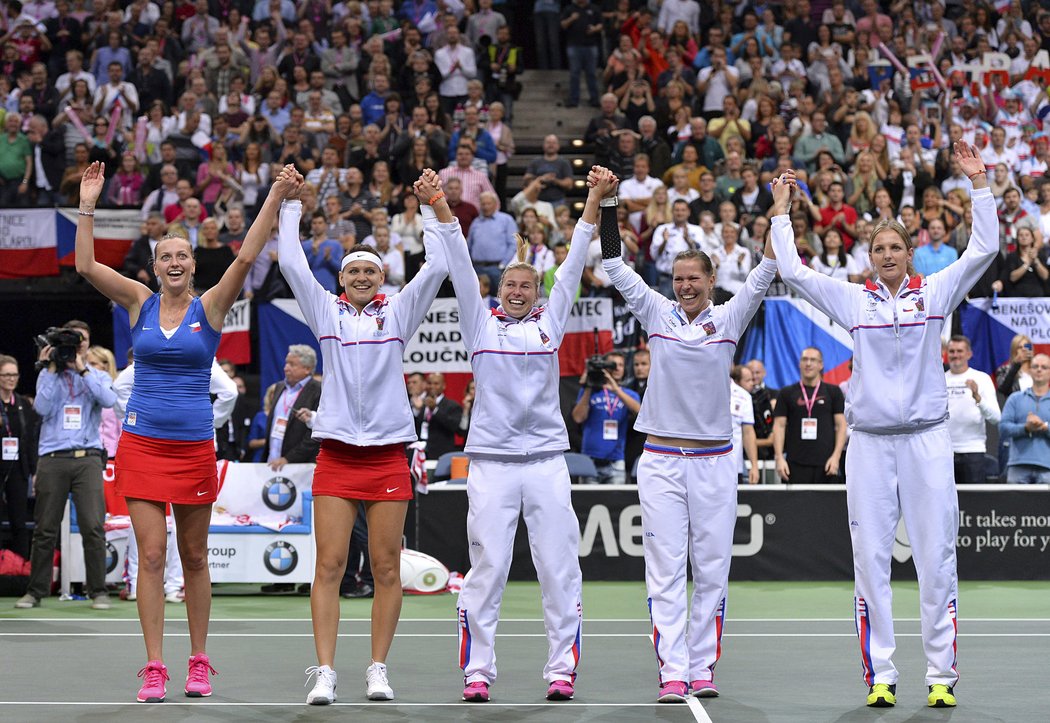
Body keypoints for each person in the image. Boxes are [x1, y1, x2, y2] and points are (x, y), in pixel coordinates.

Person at [771, 143, 998, 710]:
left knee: (936, 557)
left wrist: (980, 185)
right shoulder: (853, 300)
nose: (889, 254)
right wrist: (781, 212)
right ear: (871, 256)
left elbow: (985, 247)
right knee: (870, 560)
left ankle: (941, 676)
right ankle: (882, 675)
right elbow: (793, 270)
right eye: (880, 248)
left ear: (912, 252)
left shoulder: (936, 291)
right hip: (870, 446)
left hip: (926, 441)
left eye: (897, 246)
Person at [68, 160, 298, 702]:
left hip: (194, 448)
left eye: (182, 255)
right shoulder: (138, 302)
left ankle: (198, 659)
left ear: (193, 265)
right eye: (165, 256)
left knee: (193, 558)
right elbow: (83, 265)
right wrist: (87, 203)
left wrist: (275, 195)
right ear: (154, 265)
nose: (173, 262)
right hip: (142, 447)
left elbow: (245, 254)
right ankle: (154, 666)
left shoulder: (211, 307)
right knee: (150, 557)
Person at [598, 162, 783, 701]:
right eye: (678, 279)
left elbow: (767, 269)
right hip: (659, 460)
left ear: (709, 281)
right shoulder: (656, 311)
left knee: (712, 571)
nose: (684, 287)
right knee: (664, 572)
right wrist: (609, 203)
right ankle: (672, 670)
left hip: (716, 461)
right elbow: (613, 262)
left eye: (693, 279)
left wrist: (780, 212)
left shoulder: (728, 317)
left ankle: (702, 668)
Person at [438, 166, 616, 704]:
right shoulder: (479, 322)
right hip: (490, 463)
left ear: (537, 293)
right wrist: (438, 206)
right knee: (486, 569)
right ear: (498, 290)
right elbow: (459, 261)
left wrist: (592, 198)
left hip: (544, 463)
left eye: (525, 285)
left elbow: (576, 258)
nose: (517, 290)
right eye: (510, 284)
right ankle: (477, 673)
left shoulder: (550, 321)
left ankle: (562, 670)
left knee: (559, 568)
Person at [276, 168, 449, 705]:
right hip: (336, 457)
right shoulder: (324, 310)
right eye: (352, 270)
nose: (361, 277)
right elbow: (288, 261)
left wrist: (427, 207)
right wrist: (291, 204)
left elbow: (439, 264)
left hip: (387, 458)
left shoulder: (398, 311)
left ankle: (378, 668)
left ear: (381, 278)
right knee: (328, 565)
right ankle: (325, 671)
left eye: (370, 271)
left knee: (386, 567)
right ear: (341, 277)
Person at [17, 321, 116, 612]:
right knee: (45, 529)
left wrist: (83, 368)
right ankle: (35, 592)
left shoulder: (95, 375)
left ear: (86, 344)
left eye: (81, 341)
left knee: (93, 526)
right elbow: (42, 409)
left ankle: (98, 590)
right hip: (53, 458)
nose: (76, 346)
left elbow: (109, 400)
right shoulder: (49, 376)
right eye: (71, 342)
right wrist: (49, 367)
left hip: (87, 458)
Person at [772, 347, 847, 484]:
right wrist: (779, 458)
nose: (808, 364)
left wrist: (836, 457)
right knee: (796, 506)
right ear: (799, 363)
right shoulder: (786, 393)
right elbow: (779, 426)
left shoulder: (833, 392)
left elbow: (841, 426)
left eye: (813, 360)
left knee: (825, 506)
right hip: (794, 465)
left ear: (821, 365)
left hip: (827, 464)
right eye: (805, 359)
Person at [571, 351, 641, 484]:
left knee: (616, 504)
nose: (617, 368)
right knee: (586, 504)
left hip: (616, 462)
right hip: (589, 461)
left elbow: (640, 413)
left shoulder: (630, 394)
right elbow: (578, 418)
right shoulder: (590, 391)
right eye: (613, 364)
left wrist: (616, 391)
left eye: (621, 365)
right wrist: (588, 387)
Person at [945, 336, 1000, 485]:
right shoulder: (939, 379)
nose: (955, 355)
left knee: (974, 504)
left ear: (969, 354)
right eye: (952, 351)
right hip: (944, 452)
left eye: (960, 351)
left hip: (973, 450)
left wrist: (977, 397)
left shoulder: (981, 378)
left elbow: (996, 418)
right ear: (946, 353)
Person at [0, 355, 40, 562]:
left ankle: (21, 568)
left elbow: (30, 441)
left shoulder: (24, 404)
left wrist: (35, 471)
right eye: (6, 374)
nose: (11, 379)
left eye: (14, 374)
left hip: (18, 468)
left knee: (19, 521)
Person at [262, 346, 322, 472]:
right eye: (286, 363)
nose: (285, 368)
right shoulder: (279, 387)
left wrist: (289, 459)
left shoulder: (318, 390)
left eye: (292, 364)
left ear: (307, 369)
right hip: (271, 462)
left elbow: (315, 433)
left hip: (300, 467)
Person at [998, 354, 1050, 484]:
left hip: (1047, 467)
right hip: (1018, 466)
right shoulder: (1015, 398)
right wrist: (1026, 428)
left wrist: (1044, 427)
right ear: (1030, 370)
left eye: (1044, 367)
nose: (1039, 370)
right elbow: (1003, 428)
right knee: (1015, 505)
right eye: (1035, 366)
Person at [415, 373, 463, 461]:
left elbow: (454, 426)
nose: (432, 386)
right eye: (429, 383)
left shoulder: (452, 405)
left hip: (441, 454)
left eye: (436, 383)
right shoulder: (421, 404)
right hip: (421, 453)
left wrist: (435, 409)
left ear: (443, 386)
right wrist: (416, 411)